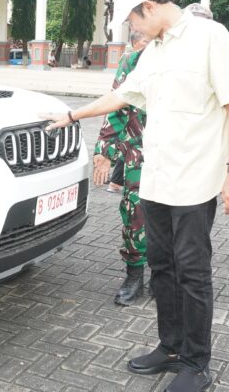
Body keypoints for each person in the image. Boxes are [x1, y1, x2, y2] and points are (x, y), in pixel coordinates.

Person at [42, 0, 229, 392]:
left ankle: (196, 363)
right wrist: (73, 116)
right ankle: (170, 347)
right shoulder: (152, 52)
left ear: (148, 8)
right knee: (162, 268)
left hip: (195, 182)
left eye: (132, 21)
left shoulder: (211, 36)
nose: (131, 30)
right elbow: (121, 96)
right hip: (155, 180)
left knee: (193, 273)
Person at [93, 31, 151, 306]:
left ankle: (168, 278)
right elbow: (116, 105)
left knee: (178, 219)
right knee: (135, 213)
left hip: (181, 155)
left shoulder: (196, 59)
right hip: (139, 151)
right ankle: (135, 275)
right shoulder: (133, 60)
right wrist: (105, 151)